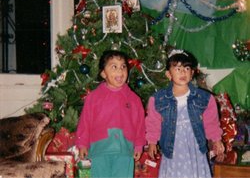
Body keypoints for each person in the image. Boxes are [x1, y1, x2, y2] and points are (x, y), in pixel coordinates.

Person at [145, 49, 225, 178]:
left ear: (192, 72)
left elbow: (211, 122)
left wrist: (216, 140)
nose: (183, 72)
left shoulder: (204, 98)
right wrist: (152, 142)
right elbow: (153, 123)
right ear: (168, 74)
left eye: (187, 68)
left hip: (195, 146)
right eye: (177, 68)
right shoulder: (158, 99)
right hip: (172, 148)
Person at [75, 50, 146, 178]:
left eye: (123, 67)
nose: (120, 71)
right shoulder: (94, 97)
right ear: (103, 73)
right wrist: (82, 144)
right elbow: (85, 122)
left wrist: (139, 145)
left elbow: (140, 124)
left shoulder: (133, 99)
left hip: (125, 149)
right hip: (100, 149)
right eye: (114, 67)